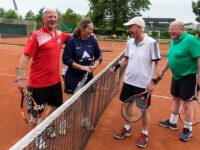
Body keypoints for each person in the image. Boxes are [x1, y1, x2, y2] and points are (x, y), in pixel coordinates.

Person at [17, 8, 70, 132]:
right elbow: (24, 57)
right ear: (43, 19)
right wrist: (21, 78)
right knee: (35, 115)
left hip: (55, 82)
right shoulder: (36, 36)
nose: (53, 19)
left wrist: (87, 33)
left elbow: (73, 37)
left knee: (56, 105)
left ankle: (44, 126)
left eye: (55, 17)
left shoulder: (60, 34)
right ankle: (37, 136)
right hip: (38, 84)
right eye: (49, 17)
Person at [111, 16, 161, 148]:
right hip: (129, 81)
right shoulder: (129, 42)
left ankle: (144, 133)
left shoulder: (152, 43)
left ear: (139, 27)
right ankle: (127, 128)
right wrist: (116, 66)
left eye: (130, 27)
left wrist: (153, 82)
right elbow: (126, 59)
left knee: (144, 109)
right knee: (127, 105)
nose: (128, 29)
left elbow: (157, 64)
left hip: (143, 84)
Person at [158, 21, 200, 142]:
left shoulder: (191, 40)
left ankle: (188, 130)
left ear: (181, 29)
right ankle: (172, 122)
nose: (170, 31)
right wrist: (162, 70)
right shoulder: (173, 41)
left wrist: (199, 78)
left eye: (173, 29)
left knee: (187, 104)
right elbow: (171, 57)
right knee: (175, 98)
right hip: (176, 76)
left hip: (189, 77)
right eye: (169, 29)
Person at [62, 19, 102, 129]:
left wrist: (95, 65)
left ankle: (84, 120)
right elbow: (66, 59)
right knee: (72, 102)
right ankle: (64, 123)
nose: (92, 31)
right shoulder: (72, 41)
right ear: (82, 28)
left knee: (86, 101)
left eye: (92, 29)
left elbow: (99, 56)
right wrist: (82, 67)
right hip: (72, 77)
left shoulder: (93, 40)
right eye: (90, 29)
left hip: (87, 77)